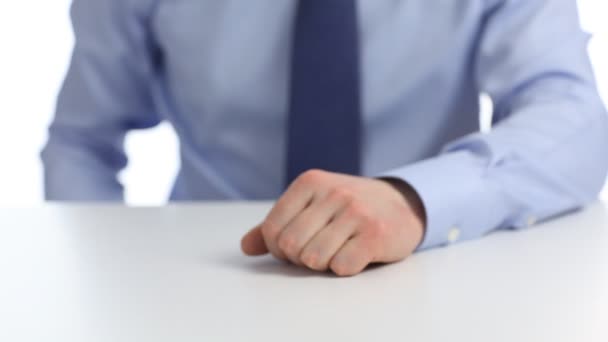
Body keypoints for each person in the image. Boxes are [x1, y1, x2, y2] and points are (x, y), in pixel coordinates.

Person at [42, 0, 608, 276]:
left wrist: (413, 199)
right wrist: (109, 290)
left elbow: (576, 121)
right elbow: (82, 144)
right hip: (210, 274)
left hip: (430, 269)